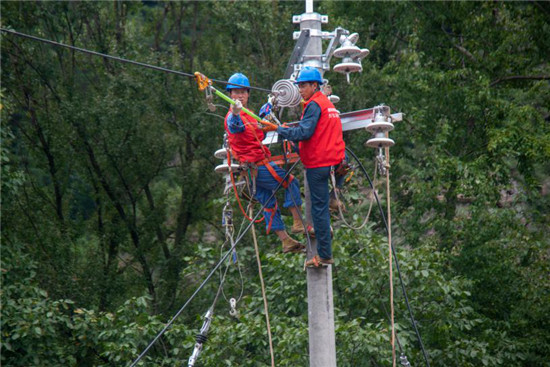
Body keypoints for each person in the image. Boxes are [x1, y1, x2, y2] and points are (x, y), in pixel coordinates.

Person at [261, 67, 345, 267]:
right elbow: (317, 131)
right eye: (299, 86)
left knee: (319, 211)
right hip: (335, 160)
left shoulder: (315, 104)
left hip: (319, 164)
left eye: (304, 85)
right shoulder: (326, 104)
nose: (300, 90)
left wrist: (279, 129)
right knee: (323, 206)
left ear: (315, 85)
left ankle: (324, 255)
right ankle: (335, 197)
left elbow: (305, 132)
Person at [224, 72, 305, 254]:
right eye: (236, 92)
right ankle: (298, 221)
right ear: (230, 95)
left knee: (269, 203)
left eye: (243, 92)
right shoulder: (233, 116)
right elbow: (234, 125)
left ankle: (285, 240)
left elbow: (260, 123)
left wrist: (269, 106)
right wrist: (235, 113)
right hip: (257, 167)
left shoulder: (249, 114)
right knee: (291, 182)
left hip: (252, 172)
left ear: (248, 94)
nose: (240, 95)